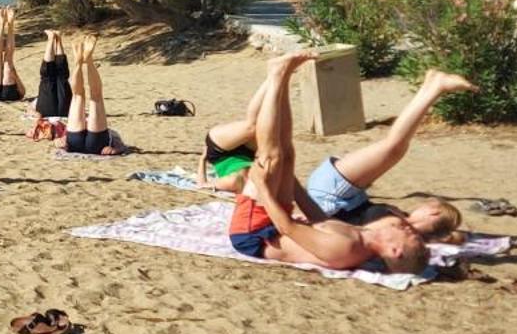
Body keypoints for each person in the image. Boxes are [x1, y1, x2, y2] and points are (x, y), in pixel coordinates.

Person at [198, 63, 468, 241]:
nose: (422, 206)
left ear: (433, 216)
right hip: (337, 191)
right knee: (392, 148)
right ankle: (433, 87)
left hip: (332, 193)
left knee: (281, 148)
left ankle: (279, 76)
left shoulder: (405, 229)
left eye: (428, 206)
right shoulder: (401, 226)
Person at [228, 53, 427, 275]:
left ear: (395, 251)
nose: (409, 230)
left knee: (271, 157)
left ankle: (275, 74)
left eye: (411, 237)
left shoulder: (347, 250)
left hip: (253, 233)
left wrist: (263, 186)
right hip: (274, 225)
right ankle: (283, 74)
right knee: (286, 154)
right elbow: (319, 219)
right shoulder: (362, 238)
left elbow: (288, 228)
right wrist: (291, 179)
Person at [59, 35, 127, 156]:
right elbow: (120, 145)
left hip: (74, 143)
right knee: (94, 96)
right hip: (97, 143)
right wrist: (117, 149)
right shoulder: (112, 133)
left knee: (78, 96)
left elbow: (58, 142)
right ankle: (88, 60)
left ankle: (79, 63)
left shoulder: (67, 130)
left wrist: (59, 142)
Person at [34, 29, 73, 120]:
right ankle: (54, 39)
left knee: (60, 77)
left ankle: (55, 39)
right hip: (62, 111)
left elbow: (31, 110)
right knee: (54, 78)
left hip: (60, 111)